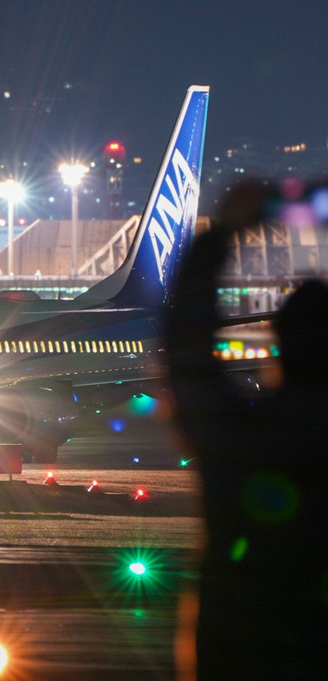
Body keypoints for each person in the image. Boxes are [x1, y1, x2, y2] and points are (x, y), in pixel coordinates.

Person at [164, 181, 328, 680]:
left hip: (240, 652)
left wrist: (225, 231)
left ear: (277, 342)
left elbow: (186, 347)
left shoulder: (238, 441)